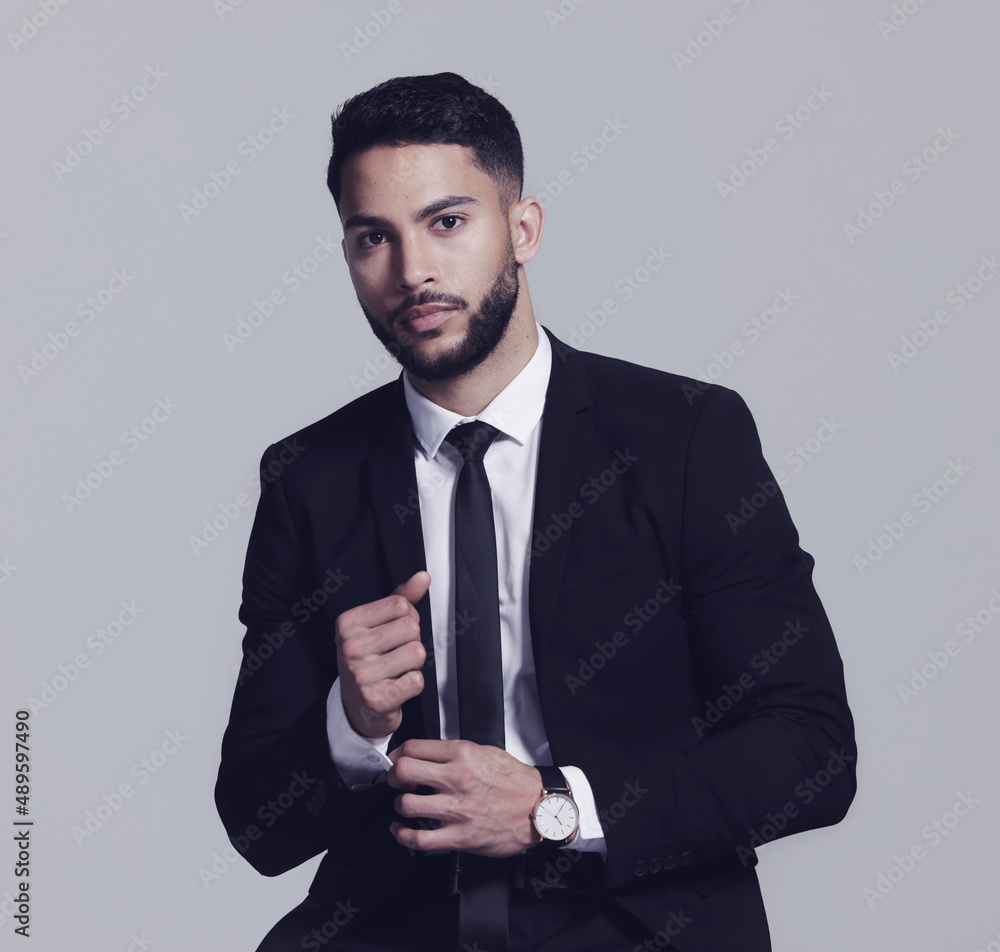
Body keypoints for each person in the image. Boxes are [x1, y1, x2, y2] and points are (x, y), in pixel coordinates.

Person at [215, 72, 857, 952]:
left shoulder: (685, 437)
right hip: (397, 923)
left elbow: (810, 750)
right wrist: (349, 723)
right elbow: (256, 824)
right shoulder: (308, 479)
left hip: (636, 915)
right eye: (374, 238)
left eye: (448, 222)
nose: (414, 272)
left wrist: (554, 807)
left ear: (524, 229)